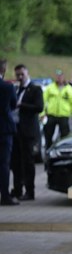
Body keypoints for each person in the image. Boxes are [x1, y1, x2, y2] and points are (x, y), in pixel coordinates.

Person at [11, 64, 44, 201]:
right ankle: (17, 189)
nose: (19, 77)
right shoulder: (16, 88)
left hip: (28, 130)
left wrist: (21, 105)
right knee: (15, 162)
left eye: (22, 74)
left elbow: (39, 107)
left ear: (27, 73)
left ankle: (30, 191)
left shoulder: (35, 89)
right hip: (16, 129)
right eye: (17, 75)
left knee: (28, 161)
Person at [42, 69, 72, 149]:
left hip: (64, 116)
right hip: (51, 115)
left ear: (64, 77)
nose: (59, 78)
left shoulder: (69, 89)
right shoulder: (50, 87)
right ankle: (48, 149)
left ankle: (63, 150)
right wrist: (42, 113)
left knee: (65, 135)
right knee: (48, 134)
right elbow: (43, 100)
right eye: (57, 76)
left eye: (60, 76)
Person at [0, 59, 19, 205]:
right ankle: (5, 196)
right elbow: (13, 104)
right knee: (4, 164)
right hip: (4, 129)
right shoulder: (7, 87)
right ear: (3, 70)